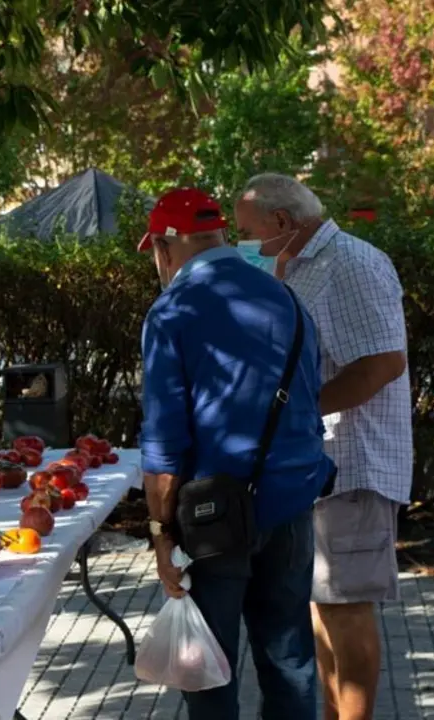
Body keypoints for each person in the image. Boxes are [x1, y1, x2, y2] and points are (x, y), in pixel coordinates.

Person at [138, 188, 335, 720]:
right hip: (292, 503)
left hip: (214, 518)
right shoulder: (287, 299)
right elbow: (309, 397)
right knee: (289, 661)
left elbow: (163, 443)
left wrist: (160, 535)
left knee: (208, 666)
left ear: (165, 247)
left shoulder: (172, 311)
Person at [233, 174, 412, 720]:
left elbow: (382, 363)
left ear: (283, 223)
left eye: (247, 231)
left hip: (353, 466)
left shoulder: (351, 263)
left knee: (345, 610)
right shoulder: (303, 265)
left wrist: (297, 413)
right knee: (321, 608)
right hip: (318, 468)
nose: (245, 244)